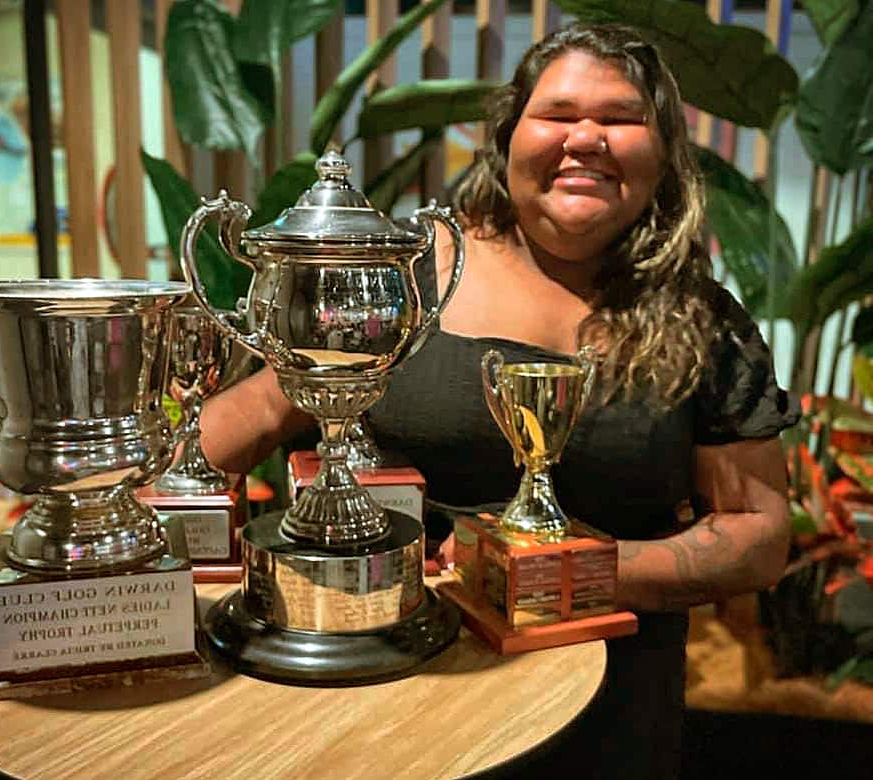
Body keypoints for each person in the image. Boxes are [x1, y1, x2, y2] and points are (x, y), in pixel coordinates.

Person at [200, 23, 799, 779]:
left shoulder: (703, 320)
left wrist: (573, 574)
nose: (588, 138)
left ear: (664, 154)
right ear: (508, 134)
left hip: (607, 712)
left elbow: (759, 531)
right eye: (559, 114)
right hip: (384, 693)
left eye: (621, 118)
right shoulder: (409, 273)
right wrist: (123, 508)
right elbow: (258, 412)